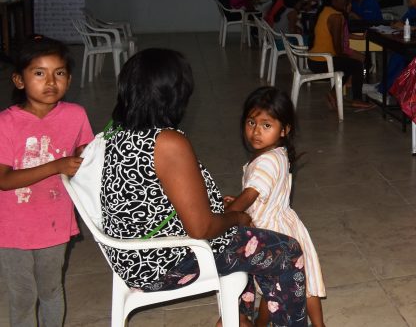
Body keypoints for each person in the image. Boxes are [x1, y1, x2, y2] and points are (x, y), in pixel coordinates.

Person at [100, 49, 307, 326]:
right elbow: (201, 229)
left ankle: (239, 319)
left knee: (247, 242)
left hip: (134, 255)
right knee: (287, 251)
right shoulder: (168, 142)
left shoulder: (117, 130)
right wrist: (236, 217)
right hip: (168, 262)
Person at [0, 37, 93, 327]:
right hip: (12, 228)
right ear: (19, 80)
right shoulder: (6, 123)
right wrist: (56, 166)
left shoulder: (76, 115)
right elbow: (4, 181)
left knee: (52, 290)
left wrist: (86, 158)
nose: (50, 81)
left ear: (69, 78)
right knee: (23, 295)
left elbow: (84, 152)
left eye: (60, 73)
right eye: (39, 73)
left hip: (55, 222)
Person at [225, 87, 326, 327]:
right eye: (251, 122)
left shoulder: (266, 161)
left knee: (279, 288)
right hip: (285, 226)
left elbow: (251, 195)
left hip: (274, 234)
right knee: (298, 285)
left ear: (285, 129)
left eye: (266, 125)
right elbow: (260, 194)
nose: (256, 132)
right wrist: (239, 203)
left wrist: (228, 213)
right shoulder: (276, 153)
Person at [308, 0, 375, 110]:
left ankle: (333, 94)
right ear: (334, 0)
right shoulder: (336, 17)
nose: (345, 0)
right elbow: (338, 47)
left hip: (315, 60)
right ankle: (357, 99)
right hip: (322, 62)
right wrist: (349, 56)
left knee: (349, 64)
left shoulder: (325, 10)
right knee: (356, 64)